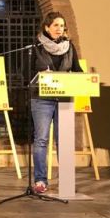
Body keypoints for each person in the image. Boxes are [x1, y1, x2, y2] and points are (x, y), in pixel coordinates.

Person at [30, 11, 83, 194]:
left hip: (64, 99)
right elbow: (25, 73)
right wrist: (40, 75)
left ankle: (66, 181)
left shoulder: (69, 47)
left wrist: (81, 78)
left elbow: (77, 70)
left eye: (62, 25)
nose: (59, 29)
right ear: (47, 27)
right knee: (41, 140)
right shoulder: (36, 46)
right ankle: (40, 181)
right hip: (41, 99)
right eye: (56, 25)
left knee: (64, 140)